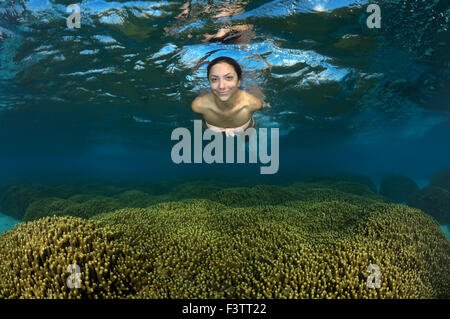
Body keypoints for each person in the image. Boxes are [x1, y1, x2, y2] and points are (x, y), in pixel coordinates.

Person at [191, 56, 267, 137]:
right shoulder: (199, 106)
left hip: (245, 128)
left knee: (246, 139)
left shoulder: (253, 104)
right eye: (214, 79)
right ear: (209, 82)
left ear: (239, 81)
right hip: (211, 128)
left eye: (229, 78)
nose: (221, 86)